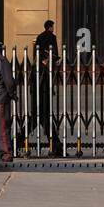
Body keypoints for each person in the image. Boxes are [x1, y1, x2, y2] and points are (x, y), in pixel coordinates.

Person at [32, 20, 59, 155]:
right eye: (53, 26)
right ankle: (55, 145)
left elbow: (34, 53)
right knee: (41, 118)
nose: (54, 28)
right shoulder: (52, 38)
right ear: (50, 27)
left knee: (36, 118)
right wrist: (55, 59)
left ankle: (55, 144)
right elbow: (56, 54)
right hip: (43, 93)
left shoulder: (39, 37)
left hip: (37, 93)